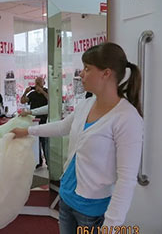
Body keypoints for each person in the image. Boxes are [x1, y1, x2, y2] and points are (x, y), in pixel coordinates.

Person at [11, 42, 143, 233]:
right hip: (66, 199)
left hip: (92, 211)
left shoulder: (127, 118)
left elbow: (126, 180)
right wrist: (28, 131)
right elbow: (63, 127)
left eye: (87, 69)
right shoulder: (86, 104)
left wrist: (111, 227)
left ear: (106, 73)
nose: (81, 74)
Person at [21, 77, 49, 168]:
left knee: (45, 142)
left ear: (43, 83)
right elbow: (23, 101)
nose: (37, 85)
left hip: (44, 120)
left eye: (39, 83)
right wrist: (25, 92)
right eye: (36, 83)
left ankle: (48, 161)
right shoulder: (32, 94)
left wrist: (43, 92)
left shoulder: (47, 91)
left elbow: (51, 100)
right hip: (34, 121)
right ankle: (38, 161)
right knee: (36, 142)